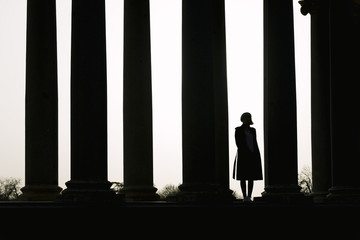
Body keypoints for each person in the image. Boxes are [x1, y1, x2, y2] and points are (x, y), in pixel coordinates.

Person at [233, 112, 263, 202]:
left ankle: (249, 196)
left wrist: (256, 153)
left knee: (251, 177)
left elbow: (255, 143)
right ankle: (244, 196)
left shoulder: (253, 130)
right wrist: (245, 151)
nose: (248, 119)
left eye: (249, 117)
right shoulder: (238, 130)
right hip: (243, 155)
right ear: (242, 119)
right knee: (243, 177)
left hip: (252, 155)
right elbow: (238, 143)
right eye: (246, 118)